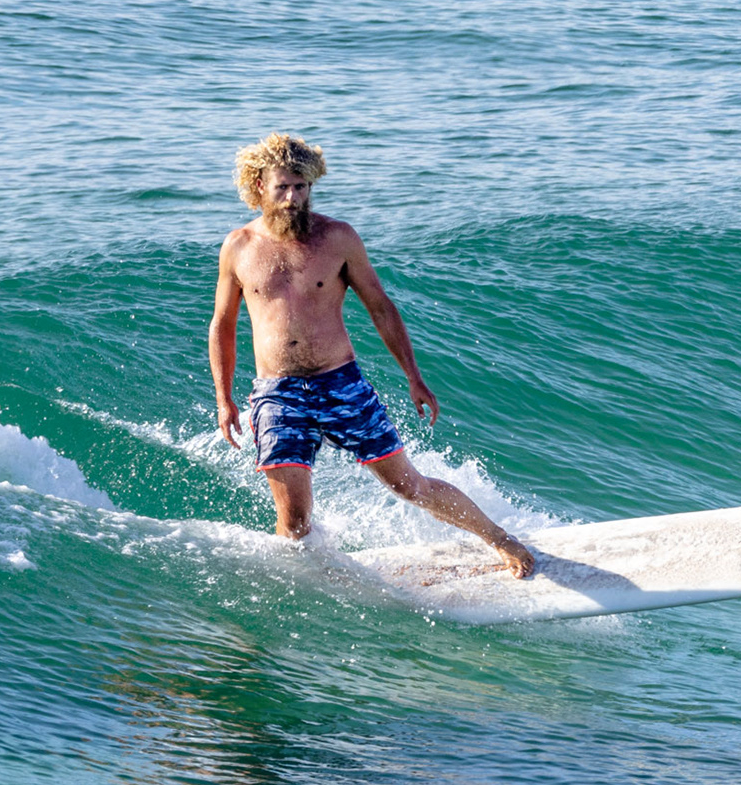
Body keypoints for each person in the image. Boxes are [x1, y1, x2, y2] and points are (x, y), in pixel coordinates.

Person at [208, 133, 537, 578]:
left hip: (340, 382)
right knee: (294, 523)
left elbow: (380, 307)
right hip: (278, 395)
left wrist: (414, 377)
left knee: (410, 485)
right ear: (259, 186)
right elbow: (222, 325)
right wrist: (224, 397)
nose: (292, 198)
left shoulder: (337, 238)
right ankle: (310, 586)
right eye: (282, 187)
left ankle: (501, 539)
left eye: (301, 187)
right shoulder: (239, 247)